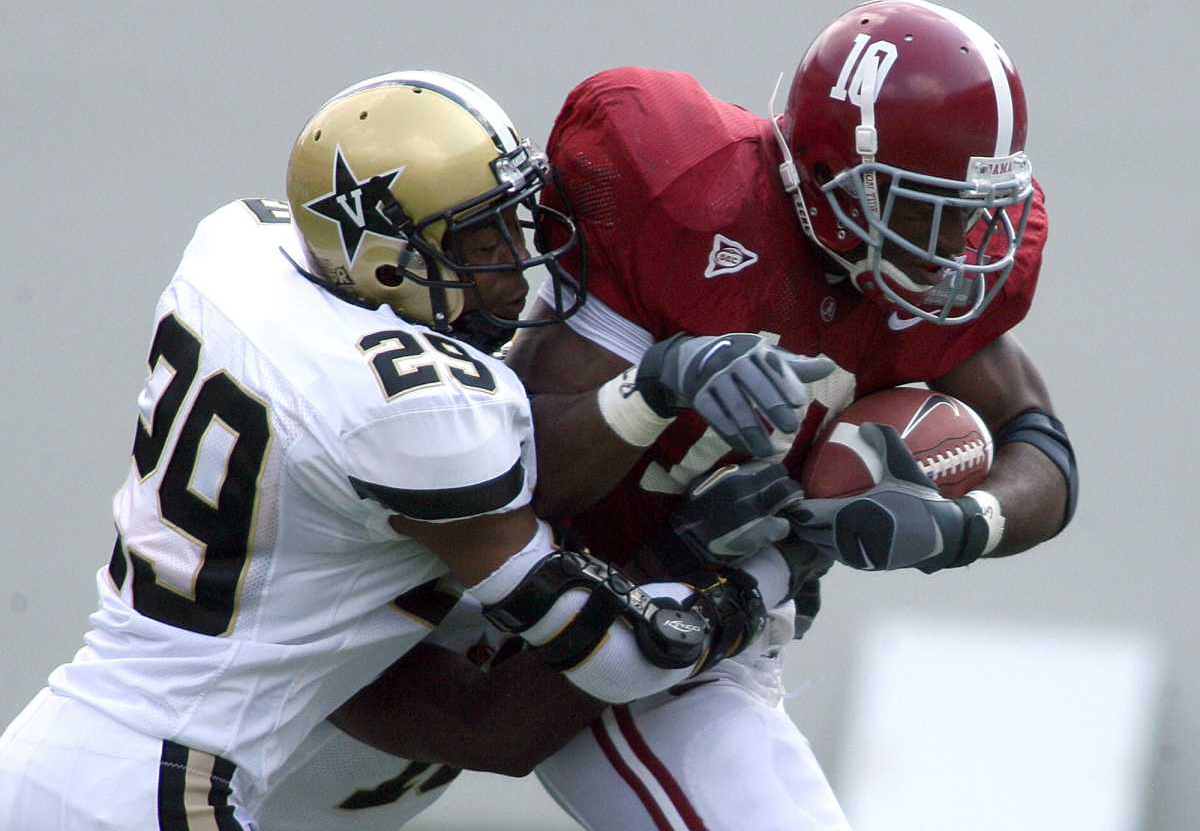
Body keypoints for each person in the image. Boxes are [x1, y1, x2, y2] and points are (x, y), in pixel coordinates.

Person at [0, 70, 821, 829]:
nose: (518, 260)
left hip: (57, 741)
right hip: (162, 787)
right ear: (387, 262)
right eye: (482, 239)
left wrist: (650, 386)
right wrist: (751, 575)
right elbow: (605, 660)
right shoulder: (415, 412)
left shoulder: (237, 251)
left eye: (513, 217)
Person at [498, 0, 1078, 830]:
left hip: (697, 627)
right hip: (505, 582)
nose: (955, 249)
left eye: (972, 213)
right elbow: (528, 479)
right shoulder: (686, 195)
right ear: (826, 169)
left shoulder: (936, 285)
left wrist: (963, 529)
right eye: (921, 207)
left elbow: (1042, 446)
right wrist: (662, 380)